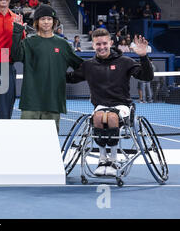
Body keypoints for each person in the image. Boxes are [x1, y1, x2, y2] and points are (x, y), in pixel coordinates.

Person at [66, 28, 154, 176]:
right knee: (99, 117)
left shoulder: (125, 61)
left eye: (104, 43)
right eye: (98, 44)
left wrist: (144, 57)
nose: (101, 47)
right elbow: (69, 78)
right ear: (93, 45)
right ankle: (102, 160)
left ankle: (112, 160)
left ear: (111, 43)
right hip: (100, 107)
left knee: (112, 117)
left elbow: (147, 77)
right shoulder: (88, 66)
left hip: (123, 106)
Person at [11, 4, 83, 132]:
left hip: (53, 103)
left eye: (49, 19)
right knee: (25, 142)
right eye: (42, 19)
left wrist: (68, 78)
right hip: (30, 103)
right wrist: (17, 31)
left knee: (50, 146)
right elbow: (15, 56)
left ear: (54, 22)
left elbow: (81, 66)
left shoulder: (64, 45)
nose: (46, 22)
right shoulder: (28, 42)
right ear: (37, 22)